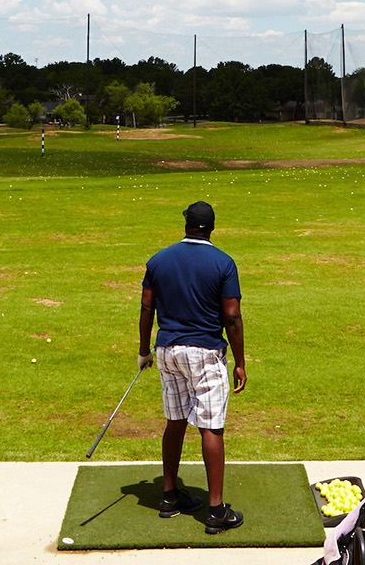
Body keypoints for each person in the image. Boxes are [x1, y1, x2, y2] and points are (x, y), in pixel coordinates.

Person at [138, 200, 246, 534]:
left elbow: (146, 309)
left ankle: (169, 496)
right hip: (204, 353)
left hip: (167, 351)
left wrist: (144, 351)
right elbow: (231, 316)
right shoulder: (223, 262)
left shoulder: (158, 260)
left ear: (186, 224)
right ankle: (215, 510)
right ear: (211, 227)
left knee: (175, 421)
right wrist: (240, 362)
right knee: (211, 427)